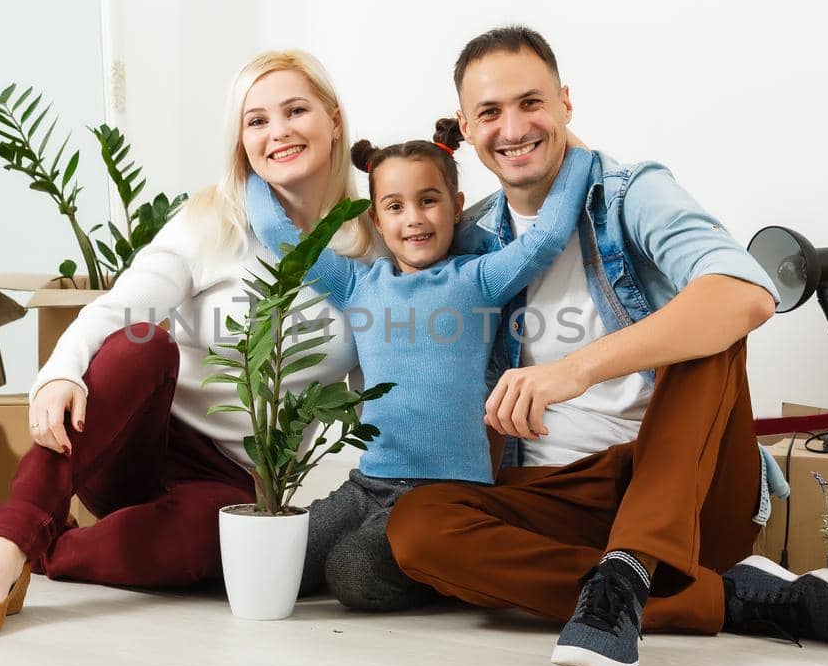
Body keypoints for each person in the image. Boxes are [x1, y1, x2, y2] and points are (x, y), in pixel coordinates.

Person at [384, 26, 828, 666]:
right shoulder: (471, 241)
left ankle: (634, 563)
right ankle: (711, 595)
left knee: (711, 318)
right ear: (466, 128)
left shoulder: (629, 193)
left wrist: (573, 370)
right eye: (491, 112)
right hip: (568, 499)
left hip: (692, 492)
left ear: (565, 105)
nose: (514, 125)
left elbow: (749, 295)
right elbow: (387, 272)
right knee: (415, 527)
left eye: (532, 103)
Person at [0, 49, 379, 638]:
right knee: (141, 344)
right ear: (241, 140)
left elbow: (374, 390)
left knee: (208, 553)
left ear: (334, 120)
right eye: (257, 121)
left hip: (235, 480)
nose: (279, 132)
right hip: (135, 439)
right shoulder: (212, 221)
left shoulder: (375, 247)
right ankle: (6, 549)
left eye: (296, 111)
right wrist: (61, 372)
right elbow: (121, 308)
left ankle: (14, 537)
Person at [248, 120, 592, 611]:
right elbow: (277, 233)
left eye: (428, 200)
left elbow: (547, 237)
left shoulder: (478, 280)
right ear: (375, 220)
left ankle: (442, 568)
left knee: (352, 574)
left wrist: (577, 154)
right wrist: (247, 166)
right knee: (271, 563)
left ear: (455, 206)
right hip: (367, 485)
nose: (414, 218)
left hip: (445, 496)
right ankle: (391, 554)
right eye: (395, 206)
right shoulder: (356, 284)